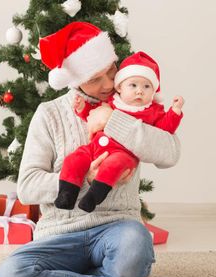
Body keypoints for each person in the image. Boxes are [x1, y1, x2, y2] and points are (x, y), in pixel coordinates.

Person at [0, 22, 181, 277]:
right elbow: (28, 187)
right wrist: (86, 178)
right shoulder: (50, 114)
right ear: (75, 79)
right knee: (10, 276)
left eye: (111, 71)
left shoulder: (136, 108)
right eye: (95, 79)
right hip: (58, 235)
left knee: (135, 251)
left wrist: (114, 121)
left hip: (116, 228)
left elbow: (170, 153)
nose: (108, 84)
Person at [55, 51, 184, 212]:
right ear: (120, 87)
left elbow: (166, 130)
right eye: (133, 85)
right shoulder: (114, 101)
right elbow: (92, 114)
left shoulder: (153, 110)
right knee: (74, 159)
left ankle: (93, 197)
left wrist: (174, 112)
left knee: (113, 166)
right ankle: (66, 194)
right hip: (94, 149)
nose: (139, 91)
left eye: (146, 86)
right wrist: (82, 108)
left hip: (122, 155)